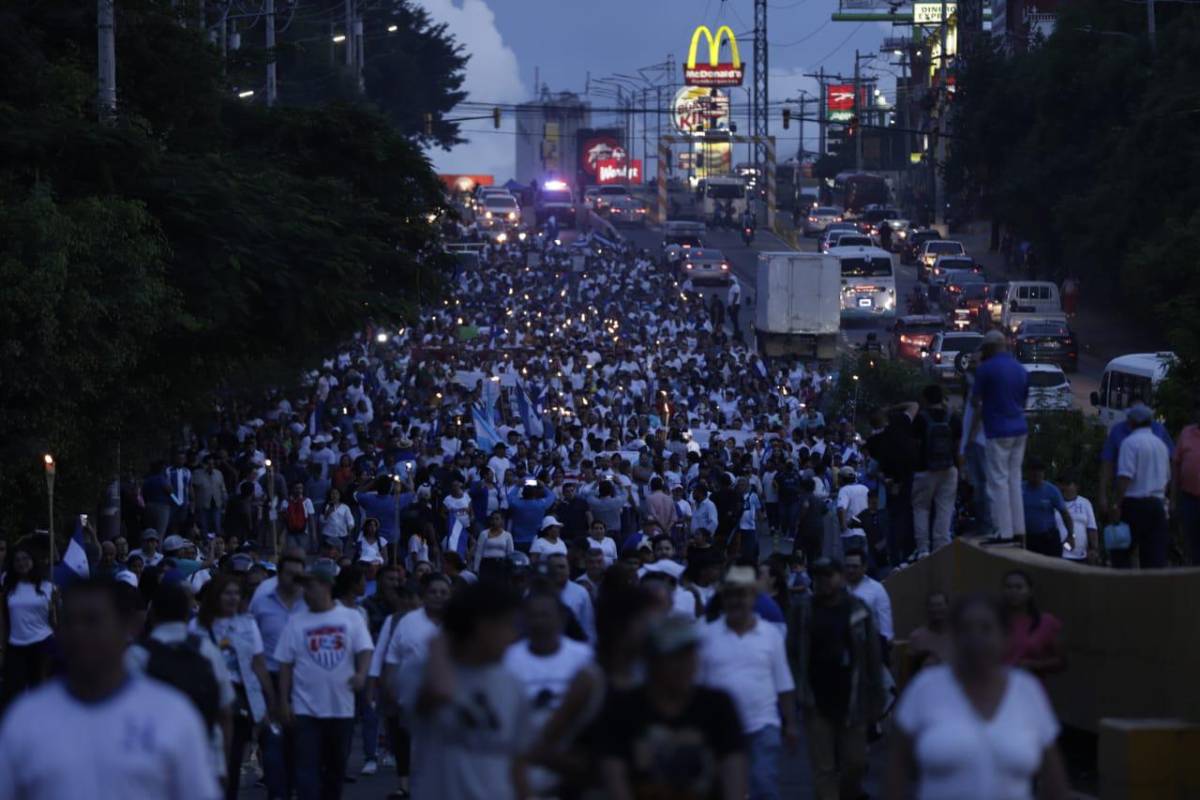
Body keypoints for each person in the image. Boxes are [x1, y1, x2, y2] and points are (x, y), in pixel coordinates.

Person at [0, 578, 220, 800]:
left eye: (92, 620)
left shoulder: (173, 715)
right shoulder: (25, 718)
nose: (79, 632)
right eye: (70, 621)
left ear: (126, 627)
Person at [886, 593, 1071, 800]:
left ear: (1005, 637)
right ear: (953, 636)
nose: (976, 638)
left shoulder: (1027, 691)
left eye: (986, 628)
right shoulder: (925, 688)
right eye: (966, 629)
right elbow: (897, 769)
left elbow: (1054, 780)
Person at [401, 581, 531, 800]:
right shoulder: (421, 671)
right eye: (507, 625)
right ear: (482, 626)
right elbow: (440, 691)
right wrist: (440, 640)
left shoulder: (511, 683)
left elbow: (517, 762)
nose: (513, 635)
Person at [597, 616, 748, 800]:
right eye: (675, 656)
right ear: (651, 660)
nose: (686, 664)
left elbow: (733, 770)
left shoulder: (718, 707)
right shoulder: (622, 709)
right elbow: (614, 776)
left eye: (690, 653)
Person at [786, 557, 885, 800]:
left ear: (840, 577)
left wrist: (877, 696)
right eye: (818, 576)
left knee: (856, 763)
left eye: (828, 575)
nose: (823, 581)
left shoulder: (858, 609)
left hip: (853, 697)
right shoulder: (803, 611)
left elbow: (873, 655)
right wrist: (799, 689)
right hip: (816, 699)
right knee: (824, 768)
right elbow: (792, 652)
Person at [275, 559, 373, 800]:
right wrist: (283, 701)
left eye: (311, 586)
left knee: (335, 770)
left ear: (327, 586)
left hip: (341, 707)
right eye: (304, 587)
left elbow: (365, 649)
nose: (306, 592)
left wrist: (361, 674)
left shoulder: (350, 617)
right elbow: (285, 664)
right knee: (306, 770)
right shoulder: (296, 621)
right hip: (305, 709)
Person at [698, 565, 797, 800]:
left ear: (753, 597)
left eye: (742, 595)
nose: (737, 601)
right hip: (719, 728)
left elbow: (783, 682)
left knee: (763, 785)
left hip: (763, 724)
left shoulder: (770, 635)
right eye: (731, 595)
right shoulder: (706, 635)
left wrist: (791, 723)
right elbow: (697, 685)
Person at [127, 582, 237, 786]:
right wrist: (223, 761)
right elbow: (225, 713)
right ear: (187, 614)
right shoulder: (207, 650)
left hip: (153, 765)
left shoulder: (137, 656)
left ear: (152, 614)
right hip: (205, 762)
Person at [194, 573, 278, 800]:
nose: (232, 598)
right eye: (227, 593)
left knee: (232, 758)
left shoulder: (248, 624)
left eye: (236, 593)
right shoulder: (197, 626)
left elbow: (258, 663)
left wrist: (270, 700)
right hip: (206, 699)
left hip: (238, 700)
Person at [502, 586, 594, 795]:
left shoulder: (583, 658)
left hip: (571, 765)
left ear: (561, 618)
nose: (540, 621)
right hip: (522, 766)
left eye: (545, 615)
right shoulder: (508, 660)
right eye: (534, 615)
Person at [249, 548, 309, 800]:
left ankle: (294, 788)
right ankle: (277, 792)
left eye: (299, 574)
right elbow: (251, 639)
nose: (294, 579)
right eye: (289, 573)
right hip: (269, 677)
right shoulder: (262, 599)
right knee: (272, 741)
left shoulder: (310, 601)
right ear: (279, 574)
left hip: (302, 680)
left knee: (299, 741)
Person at [970, 329, 1029, 543]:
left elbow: (975, 400)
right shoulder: (1020, 368)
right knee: (1014, 479)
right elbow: (1023, 399)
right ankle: (1019, 529)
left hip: (997, 431)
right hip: (1020, 429)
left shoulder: (986, 369)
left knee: (998, 481)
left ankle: (1003, 532)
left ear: (989, 348)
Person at [1112, 403, 1172, 568]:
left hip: (1134, 504)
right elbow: (1167, 479)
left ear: (1132, 422)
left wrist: (1117, 504)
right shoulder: (1161, 445)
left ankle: (1123, 583)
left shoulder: (1130, 443)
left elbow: (1125, 477)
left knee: (1121, 553)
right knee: (1154, 558)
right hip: (1157, 505)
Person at [0, 542, 56, 706]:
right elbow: (4, 620)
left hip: (43, 644)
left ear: (33, 561)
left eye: (25, 558)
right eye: (17, 560)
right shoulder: (8, 589)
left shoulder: (48, 587)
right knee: (12, 693)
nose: (21, 563)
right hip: (15, 645)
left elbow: (55, 620)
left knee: (39, 690)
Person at [911, 384, 959, 557]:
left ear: (925, 399)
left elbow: (914, 444)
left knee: (921, 509)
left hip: (924, 470)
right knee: (945, 509)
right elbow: (958, 444)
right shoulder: (952, 417)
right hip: (949, 469)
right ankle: (942, 548)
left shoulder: (920, 418)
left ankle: (923, 550)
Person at [1002, 570, 1065, 680]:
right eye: (1009, 587)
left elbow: (1061, 661)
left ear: (1030, 591)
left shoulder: (1046, 622)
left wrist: (1035, 665)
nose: (1013, 591)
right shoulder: (995, 620)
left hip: (1027, 684)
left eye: (1019, 587)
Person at [1021, 457, 1073, 559]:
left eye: (1040, 470)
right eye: (1033, 470)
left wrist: (1071, 535)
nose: (1036, 473)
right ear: (1027, 472)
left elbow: (1065, 514)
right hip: (1027, 539)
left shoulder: (1052, 490)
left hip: (1048, 539)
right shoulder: (1019, 489)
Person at [1172, 397, 1200, 565]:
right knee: (1191, 542)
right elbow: (1176, 466)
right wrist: (1173, 500)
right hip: (1189, 498)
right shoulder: (1186, 433)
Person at [1056, 472, 1098, 564]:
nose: (1064, 487)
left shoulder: (1085, 503)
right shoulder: (1054, 504)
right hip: (1058, 556)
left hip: (1081, 557)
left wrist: (1094, 549)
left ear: (1076, 486)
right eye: (1061, 484)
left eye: (1067, 484)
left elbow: (1092, 528)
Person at [908, 590, 952, 672]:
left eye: (939, 605)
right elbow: (909, 670)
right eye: (932, 605)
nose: (936, 609)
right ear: (927, 609)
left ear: (947, 607)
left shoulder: (958, 635)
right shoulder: (917, 637)